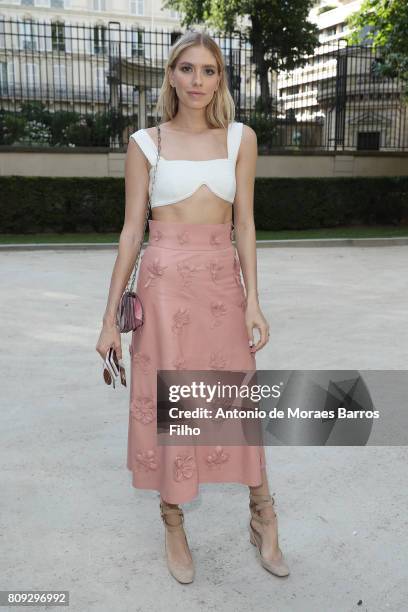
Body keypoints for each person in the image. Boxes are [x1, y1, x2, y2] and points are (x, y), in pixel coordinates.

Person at [96, 30, 289, 583]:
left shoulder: (240, 139)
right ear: (171, 75)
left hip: (221, 285)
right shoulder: (145, 143)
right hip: (162, 289)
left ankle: (263, 515)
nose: (197, 81)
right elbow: (131, 233)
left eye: (209, 71)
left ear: (220, 78)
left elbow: (246, 224)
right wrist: (109, 319)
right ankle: (173, 520)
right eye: (187, 69)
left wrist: (255, 300)